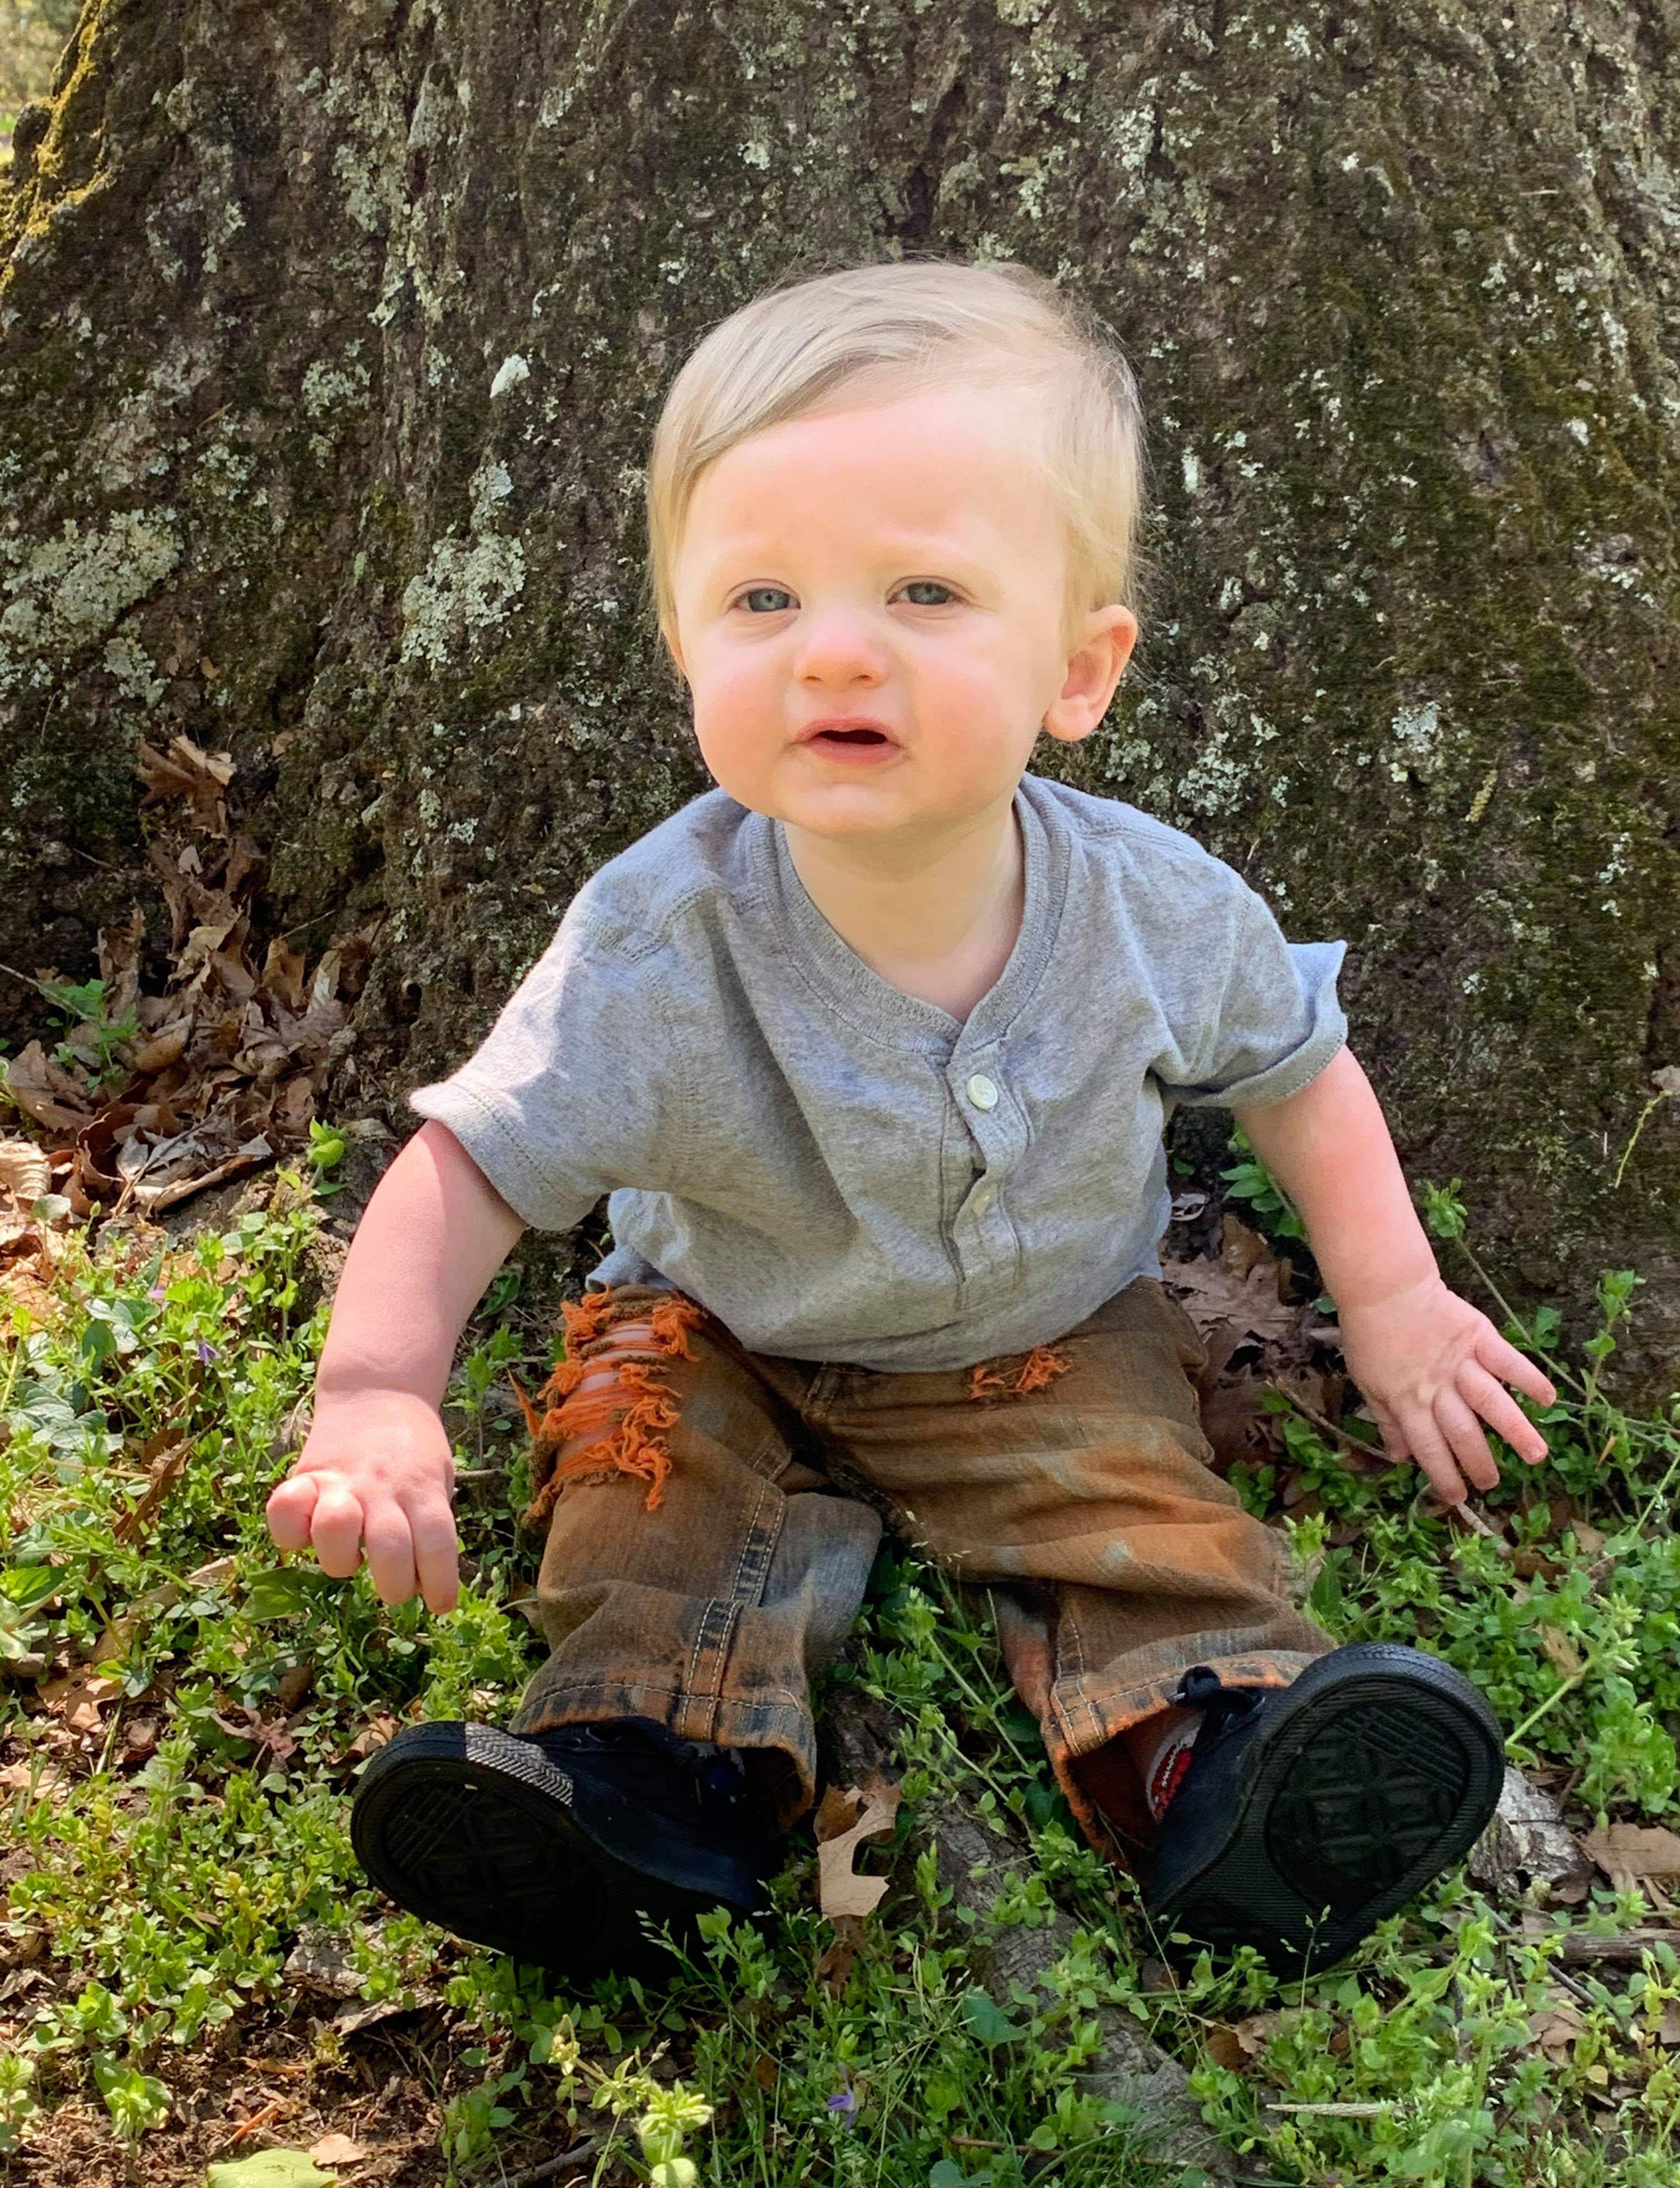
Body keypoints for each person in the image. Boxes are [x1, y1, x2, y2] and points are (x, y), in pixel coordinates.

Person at [267, 260, 1552, 1982]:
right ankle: (642, 1794)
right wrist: (371, 1395)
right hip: (715, 1322)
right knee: (654, 1510)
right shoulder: (662, 938)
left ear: (1079, 672)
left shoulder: (1152, 909)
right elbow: (474, 1162)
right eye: (764, 598)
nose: (837, 650)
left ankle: (1218, 1770)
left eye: (926, 589)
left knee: (1139, 1512)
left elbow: (1297, 1070)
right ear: (685, 645)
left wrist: (1393, 1300)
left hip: (1043, 1336)